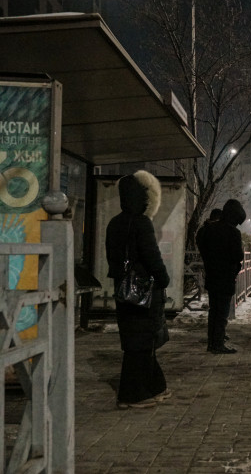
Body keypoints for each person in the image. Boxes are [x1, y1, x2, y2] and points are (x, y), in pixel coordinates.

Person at [106, 170, 171, 409]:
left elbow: (112, 258)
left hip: (123, 290)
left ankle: (155, 387)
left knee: (136, 341)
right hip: (143, 291)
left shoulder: (114, 223)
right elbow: (152, 256)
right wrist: (163, 278)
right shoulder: (142, 223)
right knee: (141, 344)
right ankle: (132, 395)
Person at [196, 199, 246, 354]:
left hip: (212, 275)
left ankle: (212, 343)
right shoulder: (233, 233)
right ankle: (218, 344)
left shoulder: (209, 229)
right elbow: (238, 255)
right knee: (222, 313)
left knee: (214, 311)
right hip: (226, 277)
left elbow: (202, 246)